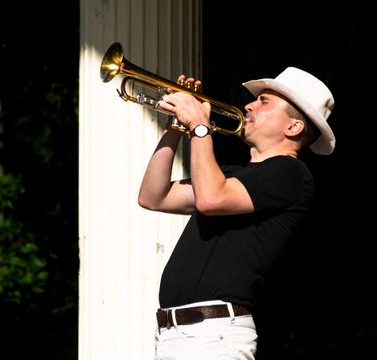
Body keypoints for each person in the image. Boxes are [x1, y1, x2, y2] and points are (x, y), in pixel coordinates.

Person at [137, 66, 336, 360]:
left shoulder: (291, 174)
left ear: (293, 127)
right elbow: (154, 196)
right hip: (175, 334)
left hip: (214, 335)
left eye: (265, 102)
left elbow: (211, 199)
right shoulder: (231, 175)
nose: (249, 105)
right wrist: (174, 127)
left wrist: (199, 127)